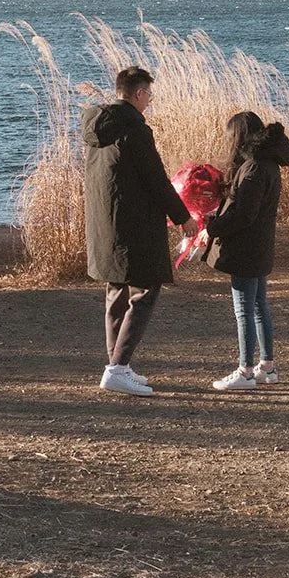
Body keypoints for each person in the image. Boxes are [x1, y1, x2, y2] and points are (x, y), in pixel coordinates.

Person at [82, 65, 197, 396]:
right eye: (149, 95)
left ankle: (117, 365)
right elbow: (156, 180)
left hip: (105, 224)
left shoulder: (97, 127)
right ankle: (118, 368)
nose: (150, 101)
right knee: (145, 290)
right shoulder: (134, 129)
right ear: (139, 93)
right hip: (134, 225)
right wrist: (184, 218)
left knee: (116, 290)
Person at [204, 111, 289, 391]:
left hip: (246, 248)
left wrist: (212, 228)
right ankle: (267, 366)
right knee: (258, 306)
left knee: (244, 309)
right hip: (260, 245)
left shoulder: (254, 168)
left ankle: (244, 371)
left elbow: (244, 214)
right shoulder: (268, 162)